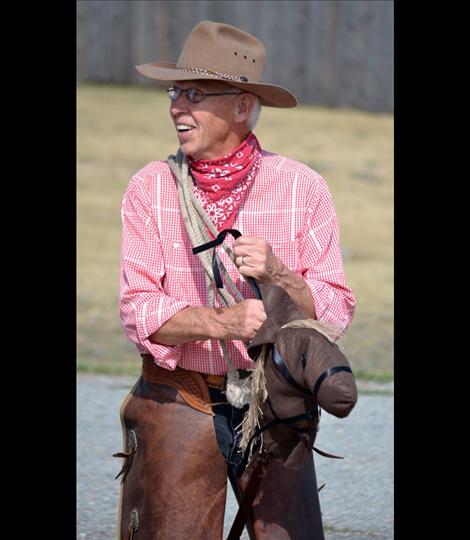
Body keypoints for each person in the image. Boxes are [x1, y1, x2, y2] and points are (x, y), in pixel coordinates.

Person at [117, 20, 356, 540]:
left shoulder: (302, 188)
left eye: (196, 93)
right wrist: (221, 321)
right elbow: (138, 310)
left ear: (243, 105)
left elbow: (336, 310)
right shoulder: (150, 188)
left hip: (276, 404)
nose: (178, 105)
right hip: (180, 397)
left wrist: (280, 276)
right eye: (175, 91)